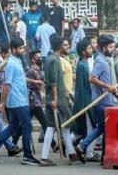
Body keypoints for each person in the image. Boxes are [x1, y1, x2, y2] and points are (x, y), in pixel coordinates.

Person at [0, 37, 40, 166]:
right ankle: (27, 156)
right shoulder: (10, 63)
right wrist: (3, 103)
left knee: (13, 127)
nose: (23, 50)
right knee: (27, 126)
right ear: (13, 49)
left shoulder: (18, 61)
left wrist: (34, 81)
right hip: (16, 101)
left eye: (23, 47)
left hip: (21, 99)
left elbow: (20, 79)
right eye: (20, 48)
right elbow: (6, 84)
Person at [75, 34, 118, 163]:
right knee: (104, 128)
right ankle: (86, 147)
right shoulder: (100, 61)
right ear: (103, 47)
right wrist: (108, 86)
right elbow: (91, 78)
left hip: (106, 99)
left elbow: (104, 81)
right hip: (101, 102)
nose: (113, 49)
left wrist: (113, 92)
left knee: (103, 128)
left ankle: (91, 151)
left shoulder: (103, 59)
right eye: (111, 47)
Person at [39, 35, 81, 166]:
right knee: (52, 127)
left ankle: (71, 153)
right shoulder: (53, 60)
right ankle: (45, 157)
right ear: (61, 46)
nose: (66, 47)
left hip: (59, 98)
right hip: (56, 99)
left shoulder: (55, 59)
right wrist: (55, 99)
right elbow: (53, 82)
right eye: (65, 44)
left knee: (65, 126)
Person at [71, 38, 100, 162]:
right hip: (85, 101)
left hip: (84, 99)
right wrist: (87, 103)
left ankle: (69, 146)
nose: (91, 50)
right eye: (89, 48)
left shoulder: (83, 64)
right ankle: (89, 154)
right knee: (90, 127)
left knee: (83, 128)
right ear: (83, 52)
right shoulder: (82, 66)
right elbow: (84, 86)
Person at [26, 50, 48, 143]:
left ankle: (13, 142)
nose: (40, 59)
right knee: (44, 123)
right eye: (37, 58)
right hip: (33, 100)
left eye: (40, 57)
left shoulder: (39, 70)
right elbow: (41, 82)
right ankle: (53, 144)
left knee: (25, 123)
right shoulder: (32, 71)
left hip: (36, 99)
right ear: (32, 60)